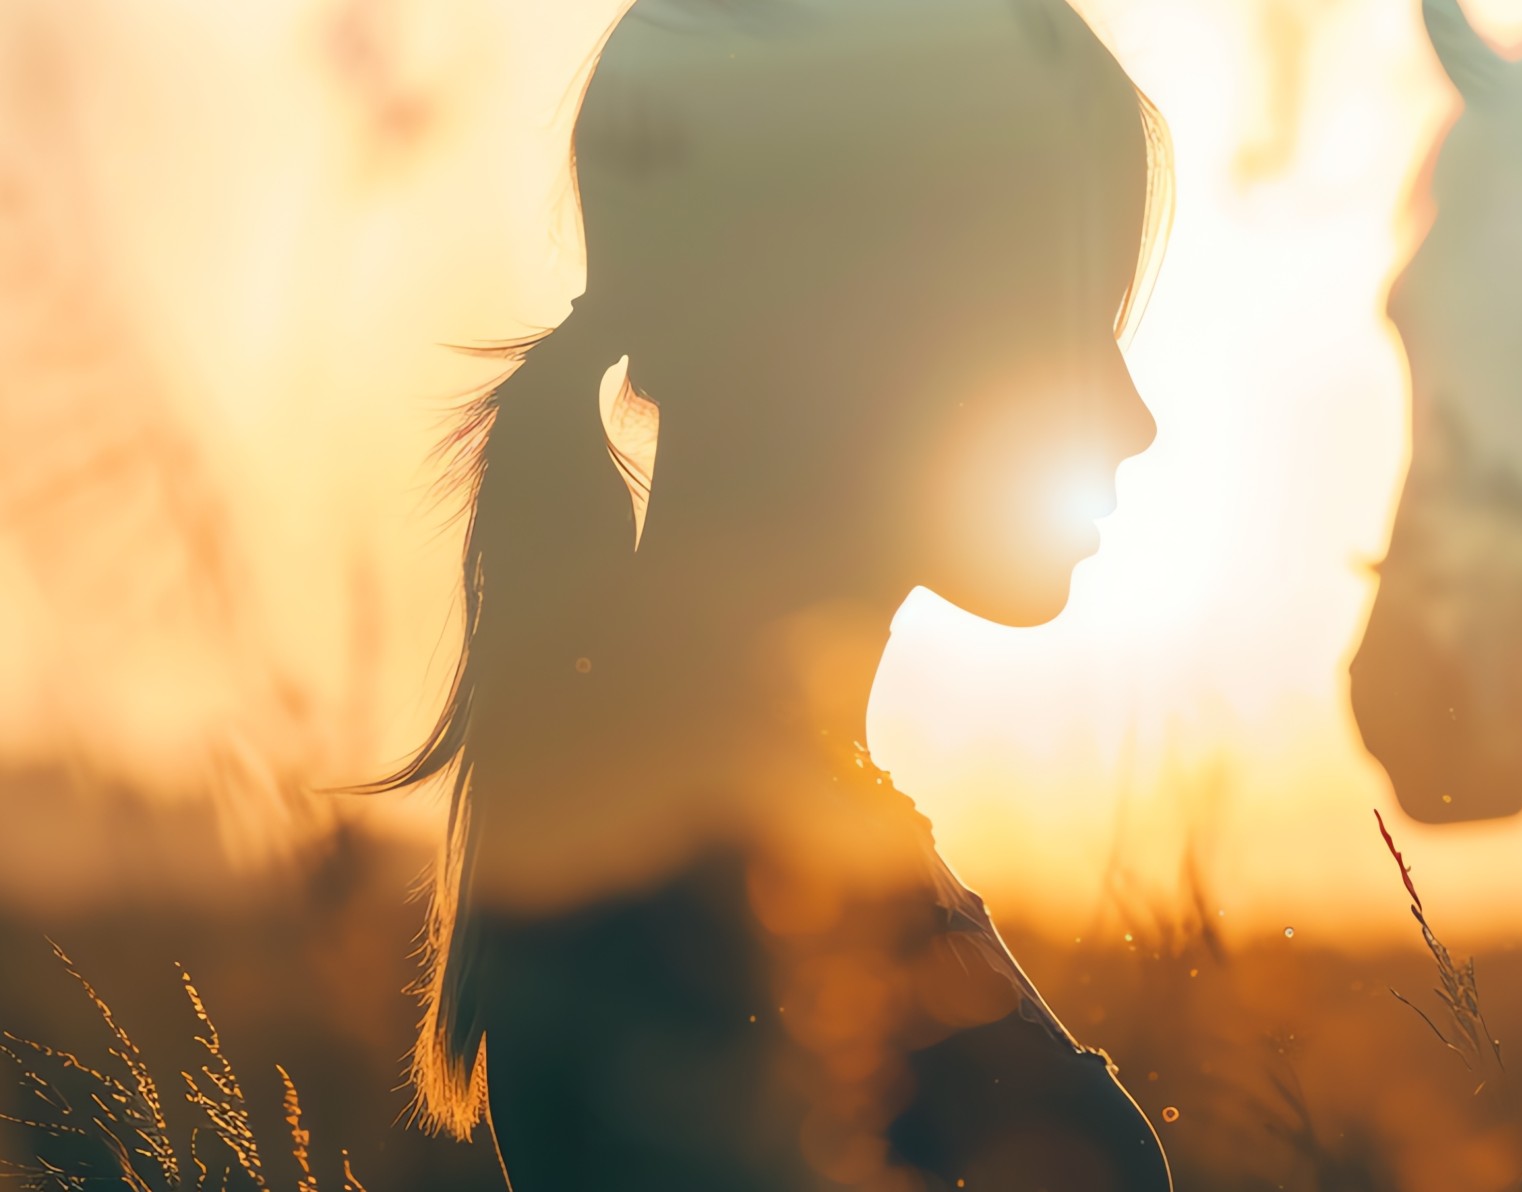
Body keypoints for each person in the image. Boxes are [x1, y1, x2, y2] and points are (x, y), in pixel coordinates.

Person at [366, 0, 1176, 1186]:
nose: (1135, 418)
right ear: (861, 335)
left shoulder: (740, 820)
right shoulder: (709, 898)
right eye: (1065, 324)